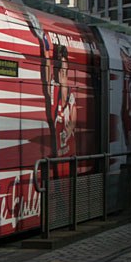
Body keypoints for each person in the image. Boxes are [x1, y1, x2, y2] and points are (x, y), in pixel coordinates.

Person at [51, 44, 76, 176]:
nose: (64, 75)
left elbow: (73, 122)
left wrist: (68, 129)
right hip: (59, 157)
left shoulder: (71, 98)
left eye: (66, 72)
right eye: (61, 71)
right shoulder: (54, 96)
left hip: (70, 155)